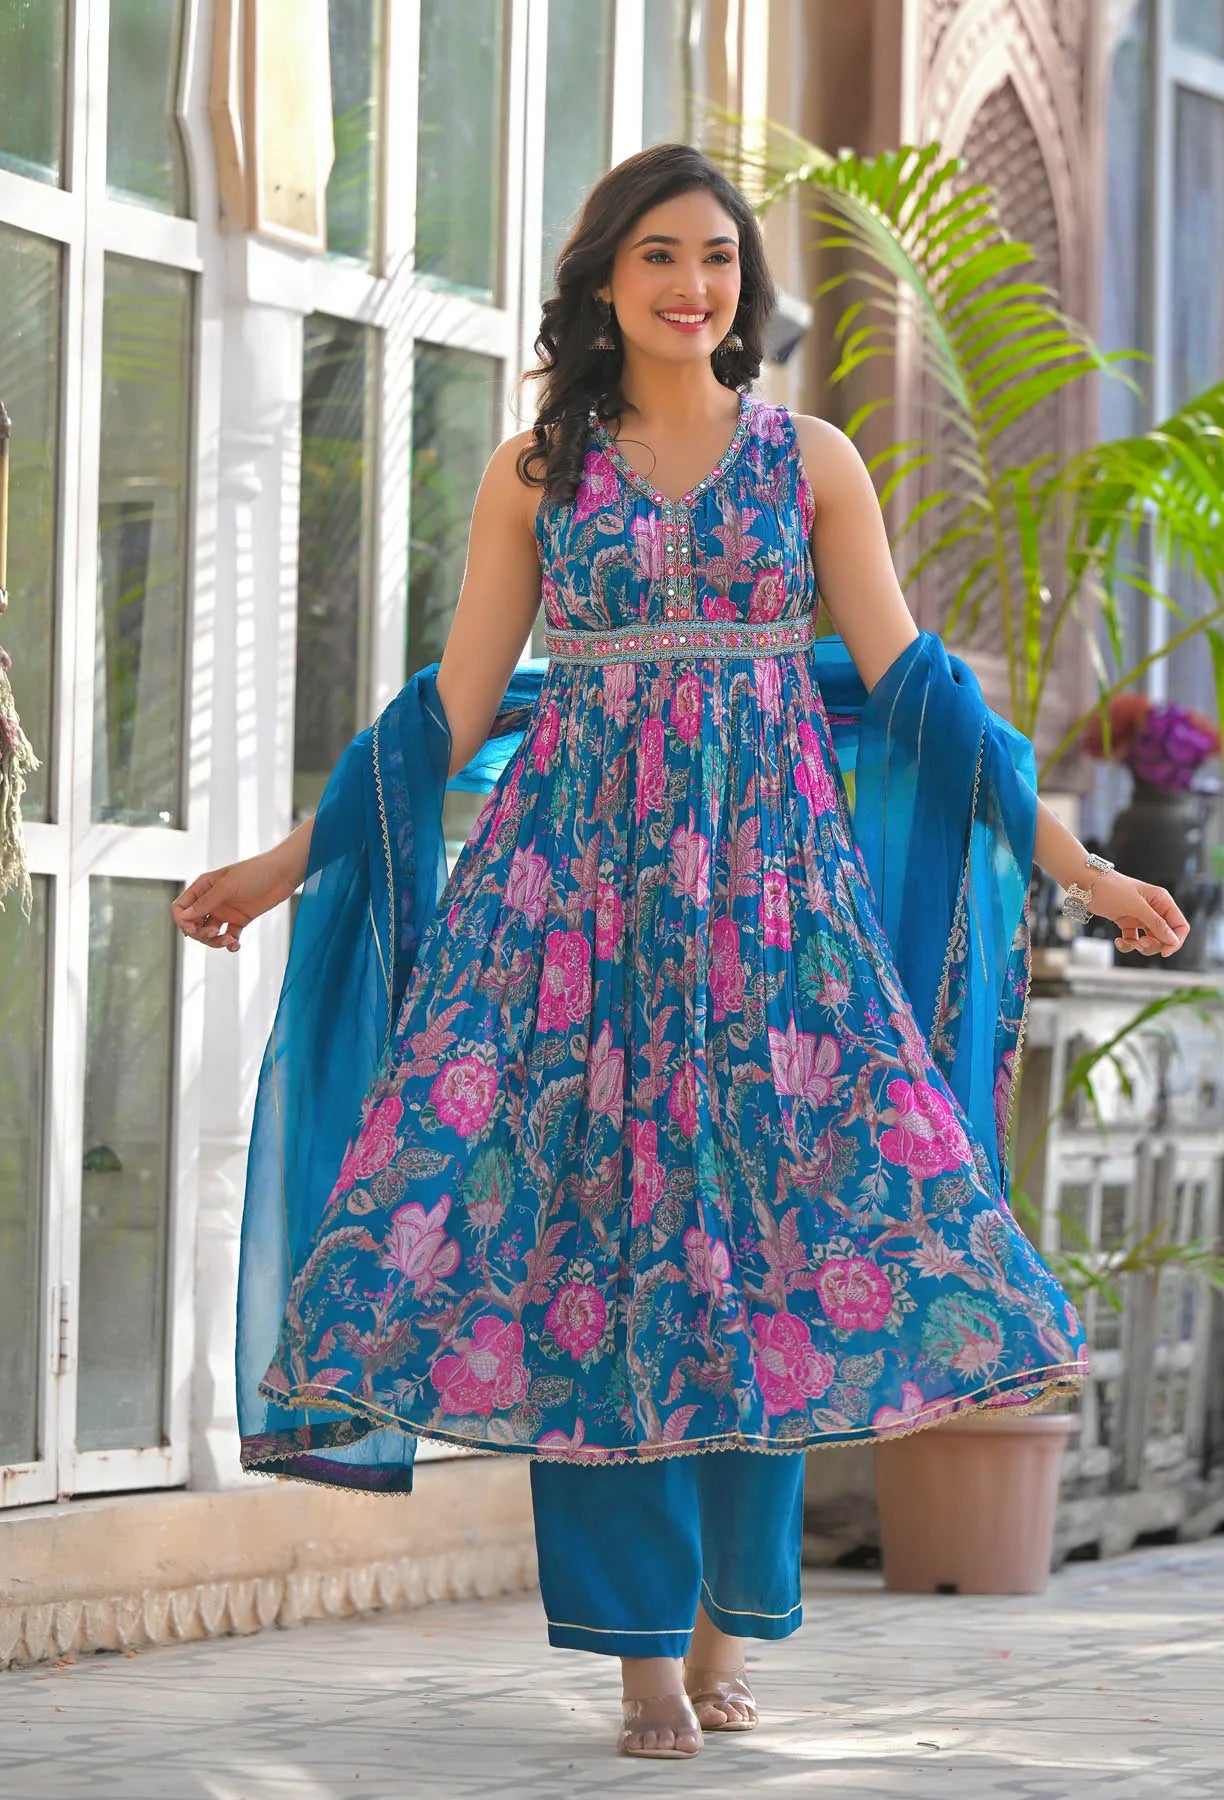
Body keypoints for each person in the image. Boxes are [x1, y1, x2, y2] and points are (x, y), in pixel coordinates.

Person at [172, 144, 1190, 1761]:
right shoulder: (536, 471)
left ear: (742, 288)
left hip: (775, 924)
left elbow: (919, 685)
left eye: (718, 258)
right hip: (570, 927)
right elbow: (447, 716)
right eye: (660, 256)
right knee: (595, 1282)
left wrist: (1069, 851)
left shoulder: (812, 462)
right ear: (601, 281)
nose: (692, 284)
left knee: (767, 1269)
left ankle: (730, 1617)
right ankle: (643, 1654)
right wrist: (289, 860)